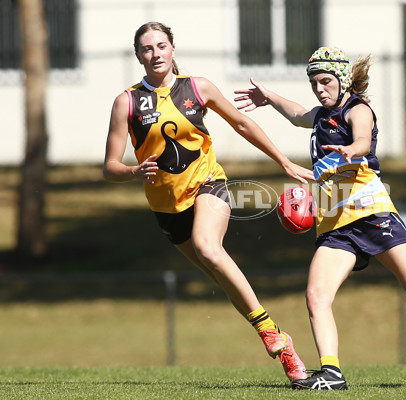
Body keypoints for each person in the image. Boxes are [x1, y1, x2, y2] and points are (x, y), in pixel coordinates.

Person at [234, 47, 406, 390]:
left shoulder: (358, 110)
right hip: (334, 224)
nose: (319, 88)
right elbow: (297, 113)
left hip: (371, 213)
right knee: (316, 295)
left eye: (325, 81)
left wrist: (351, 150)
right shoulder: (318, 115)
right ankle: (331, 373)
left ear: (342, 80)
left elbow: (361, 138)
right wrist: (268, 97)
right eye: (314, 82)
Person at [103, 21, 313, 382]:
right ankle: (281, 339)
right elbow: (109, 166)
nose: (155, 54)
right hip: (167, 210)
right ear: (138, 55)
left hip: (209, 184)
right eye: (147, 48)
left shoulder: (198, 88)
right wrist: (133, 172)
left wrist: (283, 161)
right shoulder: (127, 102)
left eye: (162, 46)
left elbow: (242, 124)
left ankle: (270, 337)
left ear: (172, 49)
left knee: (209, 248)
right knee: (217, 270)